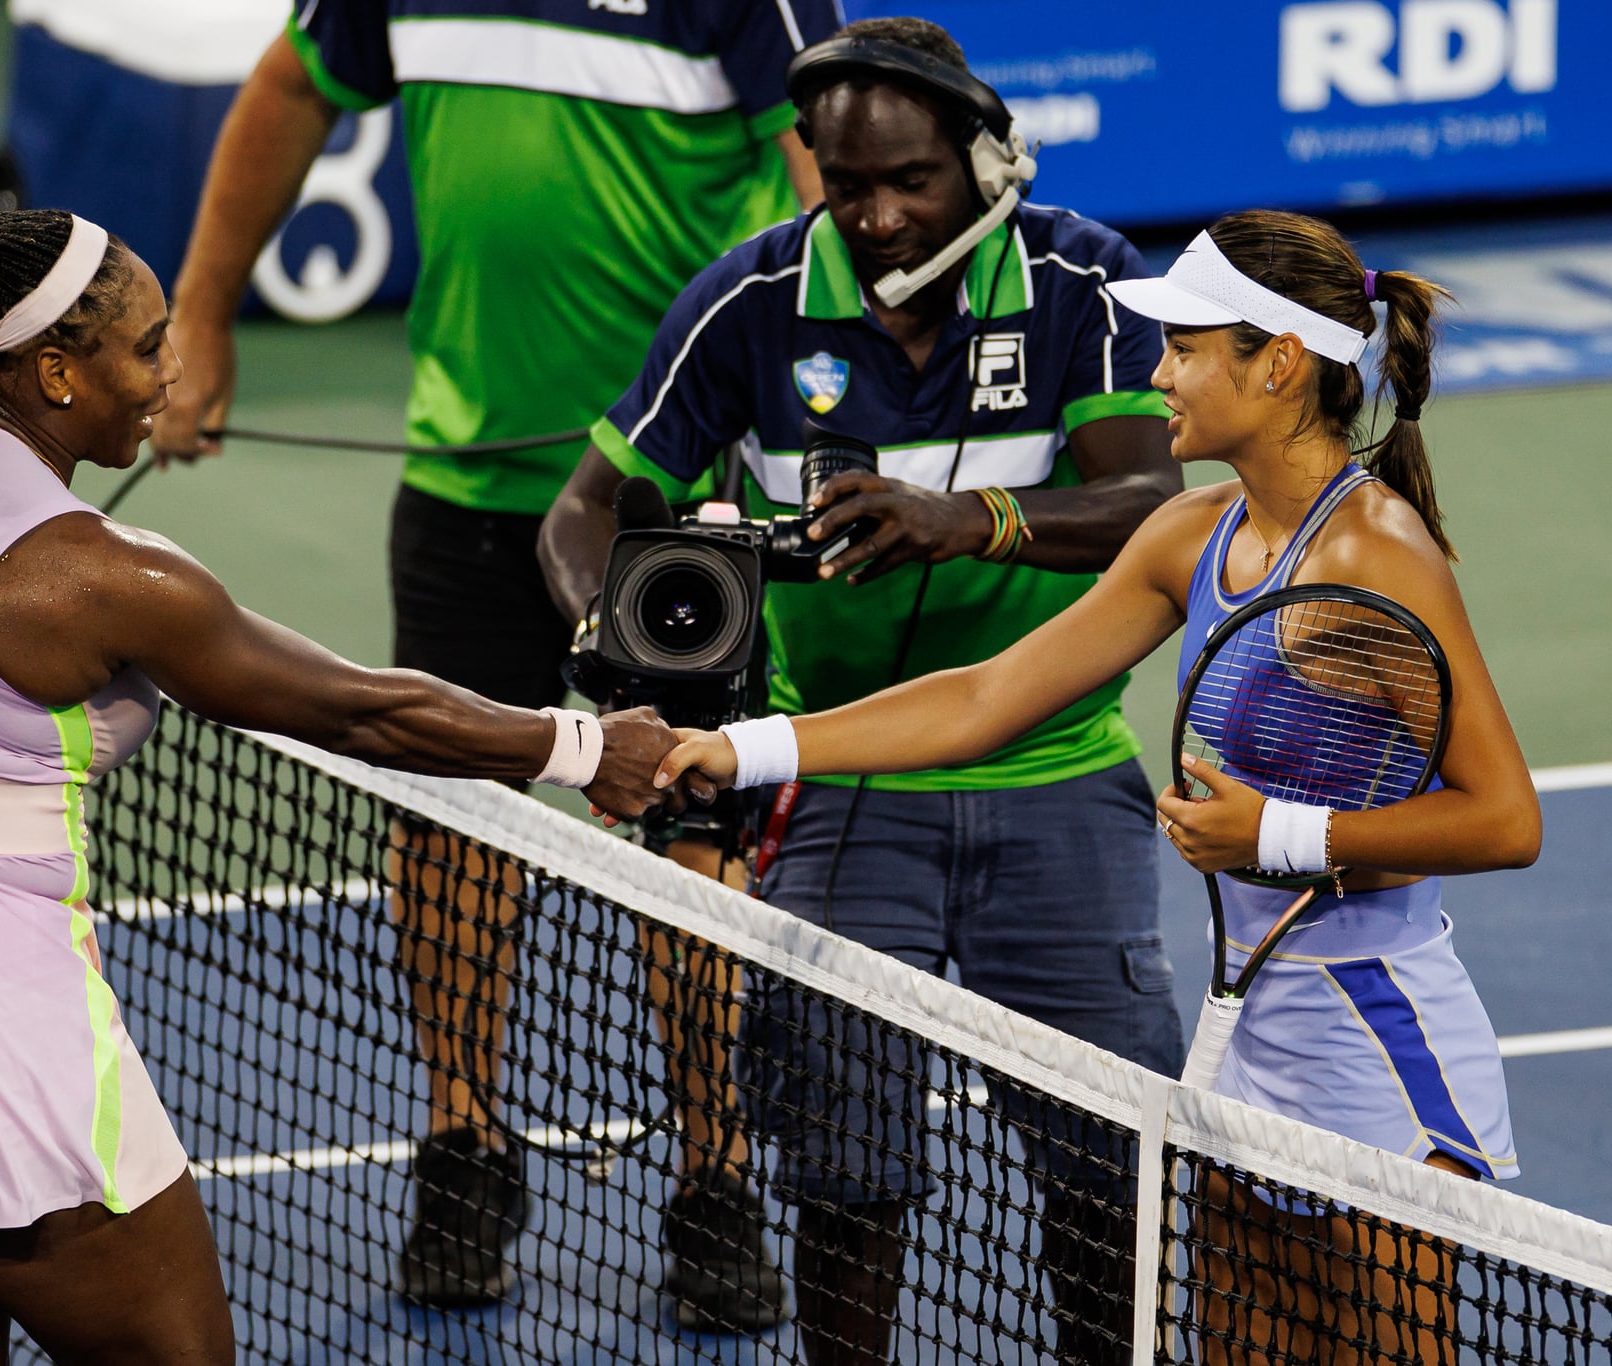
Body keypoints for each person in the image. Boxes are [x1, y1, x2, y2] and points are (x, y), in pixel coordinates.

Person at [0, 185, 678, 1364]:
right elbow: (361, 709)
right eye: (148, 345)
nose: (171, 368)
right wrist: (583, 748)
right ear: (55, 371)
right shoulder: (104, 578)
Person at [654, 208, 1539, 1364]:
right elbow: (981, 696)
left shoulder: (1372, 556)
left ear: (1275, 363)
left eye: (1182, 349)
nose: (1155, 374)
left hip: (1376, 1036)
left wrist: (1272, 833)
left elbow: (1502, 817)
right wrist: (753, 747)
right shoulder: (1190, 534)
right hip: (1254, 1029)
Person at [151, 0, 842, 1327]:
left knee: (693, 831)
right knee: (451, 819)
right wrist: (206, 311)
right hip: (468, 474)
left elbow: (826, 169)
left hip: (669, 491)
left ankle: (717, 1172)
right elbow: (293, 92)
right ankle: (464, 1143)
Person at [541, 18, 1183, 1364]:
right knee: (844, 1168)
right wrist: (620, 648)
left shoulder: (1083, 280)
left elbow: (1148, 501)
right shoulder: (751, 302)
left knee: (1104, 1165)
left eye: (914, 182)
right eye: (850, 185)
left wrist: (976, 516)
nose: (884, 216)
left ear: (985, 160)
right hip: (835, 783)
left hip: (1058, 776)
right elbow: (586, 509)